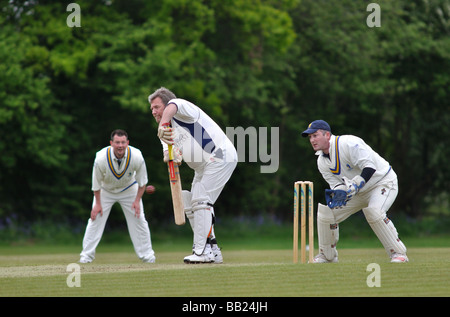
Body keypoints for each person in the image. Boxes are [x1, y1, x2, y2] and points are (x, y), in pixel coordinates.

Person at [149, 87, 238, 264]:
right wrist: (171, 155)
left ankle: (202, 251)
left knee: (201, 199)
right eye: (151, 109)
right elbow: (172, 155)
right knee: (189, 201)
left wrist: (163, 123)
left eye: (156, 107)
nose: (153, 111)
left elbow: (173, 105)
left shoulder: (181, 106)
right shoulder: (166, 133)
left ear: (166, 105)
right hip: (202, 167)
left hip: (219, 155)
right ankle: (212, 249)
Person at [301, 120, 408, 263]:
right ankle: (328, 256)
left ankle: (398, 253)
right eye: (310, 137)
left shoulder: (349, 143)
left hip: (382, 182)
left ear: (327, 135)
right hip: (357, 192)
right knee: (327, 213)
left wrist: (356, 185)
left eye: (315, 135)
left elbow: (370, 167)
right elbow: (336, 184)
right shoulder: (321, 161)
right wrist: (340, 192)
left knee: (374, 212)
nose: (312, 140)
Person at [79, 129, 156, 263]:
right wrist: (97, 204)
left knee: (139, 219)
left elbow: (142, 182)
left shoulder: (137, 156)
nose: (120, 145)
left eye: (123, 142)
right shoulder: (101, 158)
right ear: (111, 143)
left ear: (127, 143)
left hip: (129, 189)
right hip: (105, 190)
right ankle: (85, 258)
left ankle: (148, 258)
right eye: (117, 142)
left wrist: (137, 201)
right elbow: (96, 184)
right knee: (95, 219)